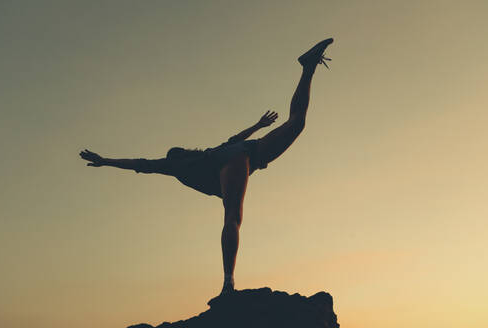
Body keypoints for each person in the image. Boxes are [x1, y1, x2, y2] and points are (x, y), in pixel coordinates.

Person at [80, 38, 334, 296]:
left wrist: (105, 161)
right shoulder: (209, 152)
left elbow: (141, 165)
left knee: (232, 218)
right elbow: (236, 140)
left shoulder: (179, 166)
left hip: (236, 161)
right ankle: (307, 67)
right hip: (249, 151)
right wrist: (258, 125)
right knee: (296, 122)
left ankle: (228, 282)